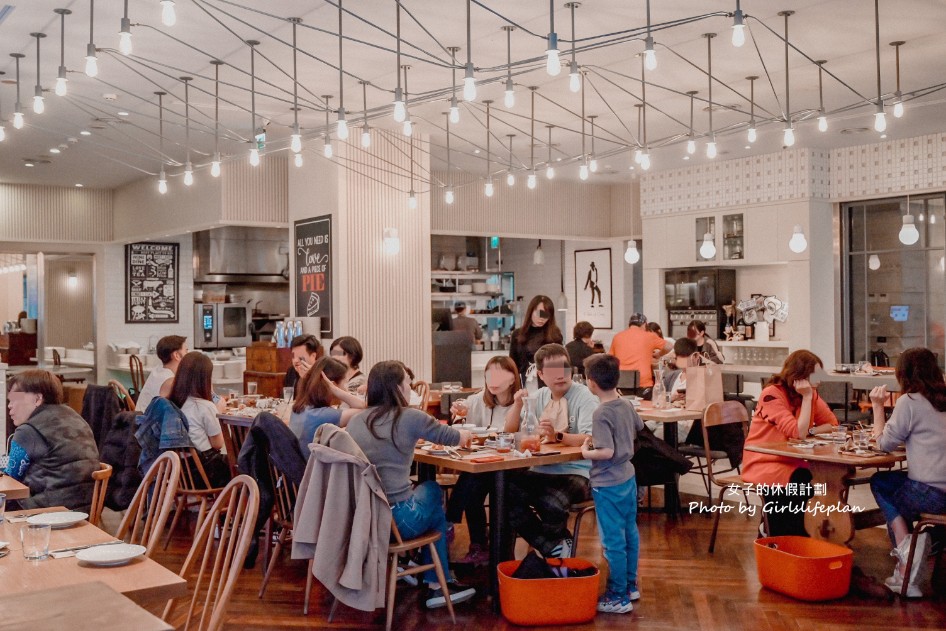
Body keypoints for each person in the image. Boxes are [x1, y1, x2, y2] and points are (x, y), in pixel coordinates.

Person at [346, 361, 476, 610]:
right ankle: (437, 582)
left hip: (364, 520)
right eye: (406, 382)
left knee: (427, 493)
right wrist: (468, 434)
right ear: (397, 387)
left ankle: (428, 570)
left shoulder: (355, 423)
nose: (410, 387)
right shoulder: (409, 417)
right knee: (433, 491)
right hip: (399, 521)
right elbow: (454, 437)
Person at [504, 344, 598, 558]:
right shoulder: (539, 396)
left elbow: (592, 440)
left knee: (551, 503)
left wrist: (557, 435)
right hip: (541, 470)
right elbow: (509, 431)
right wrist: (518, 405)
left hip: (578, 471)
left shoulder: (584, 396)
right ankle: (554, 547)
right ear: (540, 374)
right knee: (503, 492)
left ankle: (552, 550)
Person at [869, 347, 946, 597]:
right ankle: (915, 548)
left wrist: (877, 406)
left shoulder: (910, 401)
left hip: (930, 494)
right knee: (892, 484)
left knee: (881, 483)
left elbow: (884, 444)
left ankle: (906, 562)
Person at [741, 350, 838, 536]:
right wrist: (808, 398)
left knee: (819, 481)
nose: (819, 380)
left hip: (794, 460)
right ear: (799, 376)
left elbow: (832, 424)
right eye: (815, 375)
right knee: (801, 481)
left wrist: (811, 430)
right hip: (765, 461)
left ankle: (802, 536)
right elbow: (797, 432)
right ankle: (780, 534)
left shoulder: (811, 394)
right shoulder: (772, 395)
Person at [581, 354, 644, 614]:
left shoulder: (601, 413)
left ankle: (617, 596)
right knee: (630, 532)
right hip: (628, 476)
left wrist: (586, 451)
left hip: (607, 483)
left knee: (612, 540)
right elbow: (639, 426)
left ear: (591, 383)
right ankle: (630, 585)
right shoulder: (625, 404)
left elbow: (605, 452)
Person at [445, 356, 520, 566]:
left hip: (513, 466)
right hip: (484, 463)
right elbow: (461, 415)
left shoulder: (520, 402)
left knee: (473, 480)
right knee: (474, 480)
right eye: (489, 375)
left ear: (512, 379)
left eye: (499, 374)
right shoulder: (478, 400)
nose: (493, 380)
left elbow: (513, 434)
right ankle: (480, 546)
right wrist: (459, 412)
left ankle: (454, 525)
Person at [3, 370, 100, 511]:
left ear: (37, 399)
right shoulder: (75, 417)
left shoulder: (28, 430)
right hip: (85, 508)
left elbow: (11, 480)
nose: (9, 405)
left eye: (15, 399)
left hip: (45, 511)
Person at [168, 352, 231, 488]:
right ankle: (246, 506)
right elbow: (218, 444)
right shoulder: (205, 406)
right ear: (204, 379)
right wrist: (218, 411)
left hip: (179, 472)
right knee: (243, 463)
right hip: (204, 472)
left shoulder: (171, 403)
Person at [289, 356, 367, 453]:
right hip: (311, 467)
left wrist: (313, 375)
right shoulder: (323, 415)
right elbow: (364, 408)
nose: (345, 388)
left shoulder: (300, 407)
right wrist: (334, 389)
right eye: (345, 383)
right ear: (333, 385)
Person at [608, 313, 672, 393]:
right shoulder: (649, 336)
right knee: (645, 405)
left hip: (621, 382)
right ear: (644, 324)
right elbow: (669, 346)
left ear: (630, 324)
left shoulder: (617, 337)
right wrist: (659, 355)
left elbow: (610, 359)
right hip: (643, 383)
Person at [509, 295, 564, 386]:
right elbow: (513, 363)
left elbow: (560, 364)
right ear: (531, 311)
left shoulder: (555, 335)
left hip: (549, 384)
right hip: (524, 383)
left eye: (546, 315)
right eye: (539, 313)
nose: (542, 318)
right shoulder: (517, 335)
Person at [137, 335, 187, 411]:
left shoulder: (158, 369)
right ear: (176, 355)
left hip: (141, 419)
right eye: (186, 350)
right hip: (149, 421)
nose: (188, 355)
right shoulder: (169, 381)